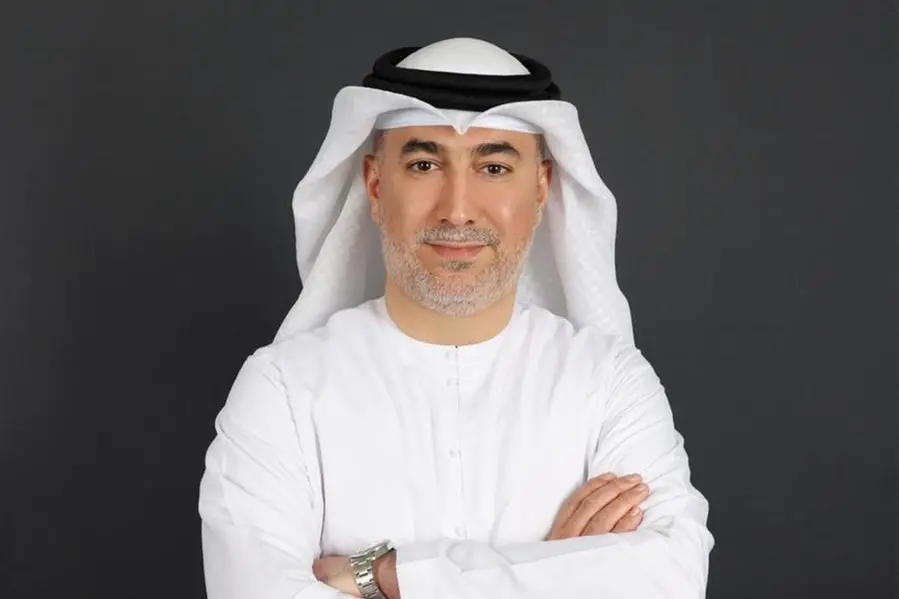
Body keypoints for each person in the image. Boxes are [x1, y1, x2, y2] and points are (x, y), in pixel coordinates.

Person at [198, 37, 713, 599]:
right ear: (375, 185)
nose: (458, 209)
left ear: (541, 189)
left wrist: (383, 575)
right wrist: (558, 572)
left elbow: (671, 579)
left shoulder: (610, 382)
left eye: (494, 166)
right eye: (424, 165)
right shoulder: (281, 389)